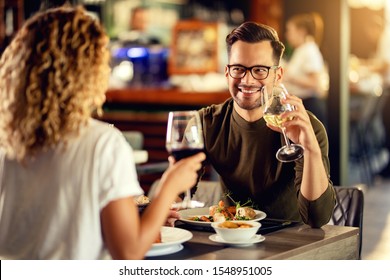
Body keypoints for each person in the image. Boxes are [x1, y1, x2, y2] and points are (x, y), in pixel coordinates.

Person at [0, 5, 205, 260]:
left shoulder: (7, 141)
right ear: (88, 69)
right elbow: (128, 253)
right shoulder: (103, 144)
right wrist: (168, 188)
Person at [196, 21, 335, 228]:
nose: (247, 80)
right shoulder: (206, 123)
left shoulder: (306, 127)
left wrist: (310, 148)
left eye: (260, 70)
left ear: (277, 76)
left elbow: (317, 218)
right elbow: (179, 197)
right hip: (230, 241)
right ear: (227, 73)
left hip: (292, 247)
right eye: (238, 69)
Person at [283, 12, 328, 128]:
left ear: (301, 31)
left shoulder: (309, 50)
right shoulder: (301, 50)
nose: (287, 35)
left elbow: (315, 83)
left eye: (290, 30)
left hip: (310, 106)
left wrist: (288, 76)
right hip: (303, 104)